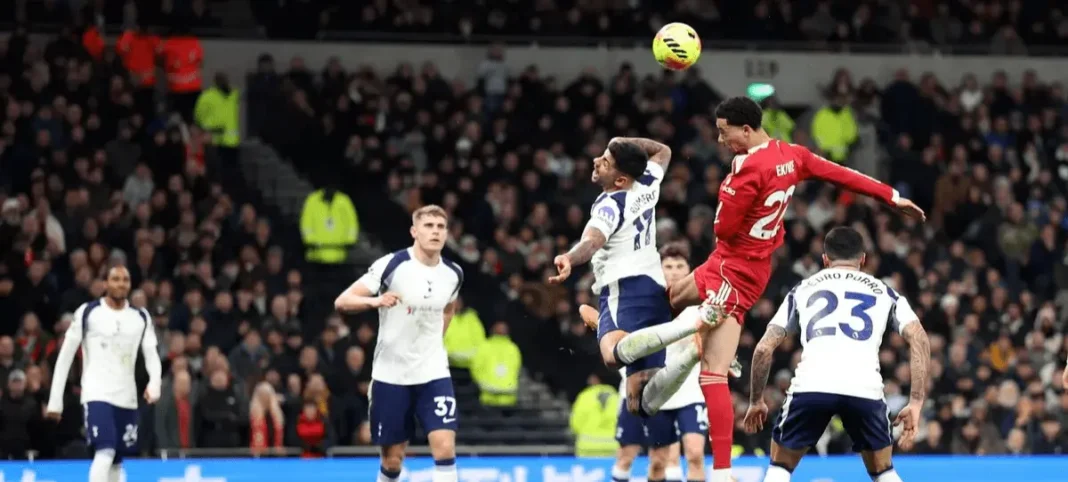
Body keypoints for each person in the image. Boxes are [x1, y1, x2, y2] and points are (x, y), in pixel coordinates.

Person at [665, 96, 926, 482]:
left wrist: (730, 185)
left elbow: (723, 228)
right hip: (749, 265)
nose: (721, 141)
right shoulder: (794, 155)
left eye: (724, 133)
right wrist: (891, 196)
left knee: (715, 373)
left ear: (746, 130)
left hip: (736, 267)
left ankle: (720, 471)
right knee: (672, 296)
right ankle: (650, 346)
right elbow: (841, 174)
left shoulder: (746, 168)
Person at [742, 227, 931, 482]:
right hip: (864, 389)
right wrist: (916, 401)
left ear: (825, 259)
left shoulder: (803, 288)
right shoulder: (884, 291)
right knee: (883, 470)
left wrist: (756, 400)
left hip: (812, 386)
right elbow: (919, 338)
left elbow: (764, 348)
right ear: (863, 259)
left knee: (780, 466)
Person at [548, 137, 714, 420]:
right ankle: (690, 353)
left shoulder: (610, 204)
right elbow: (664, 151)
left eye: (606, 162)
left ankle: (688, 327)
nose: (596, 162)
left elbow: (592, 241)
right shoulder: (648, 181)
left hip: (623, 290)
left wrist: (570, 258)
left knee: (611, 355)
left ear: (621, 180)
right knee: (639, 403)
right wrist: (621, 142)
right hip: (654, 289)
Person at [334, 204, 463, 482]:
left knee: (444, 447)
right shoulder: (392, 265)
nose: (435, 232)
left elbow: (448, 308)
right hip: (391, 375)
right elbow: (343, 301)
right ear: (414, 231)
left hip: (433, 373)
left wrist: (434, 342)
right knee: (392, 461)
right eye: (428, 226)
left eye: (441, 227)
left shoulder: (453, 274)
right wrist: (375, 301)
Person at [584, 244, 733, 482]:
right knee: (657, 461)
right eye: (668, 266)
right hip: (651, 392)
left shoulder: (701, 305)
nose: (674, 271)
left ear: (689, 270)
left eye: (679, 266)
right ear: (659, 269)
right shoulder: (645, 302)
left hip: (688, 392)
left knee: (695, 454)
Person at [46, 266, 162, 482]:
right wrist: (55, 402)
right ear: (105, 283)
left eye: (125, 279)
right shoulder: (88, 312)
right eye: (115, 279)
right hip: (96, 394)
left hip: (127, 398)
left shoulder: (140, 317)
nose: (121, 284)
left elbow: (151, 354)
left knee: (117, 460)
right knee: (105, 450)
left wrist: (155, 384)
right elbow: (65, 358)